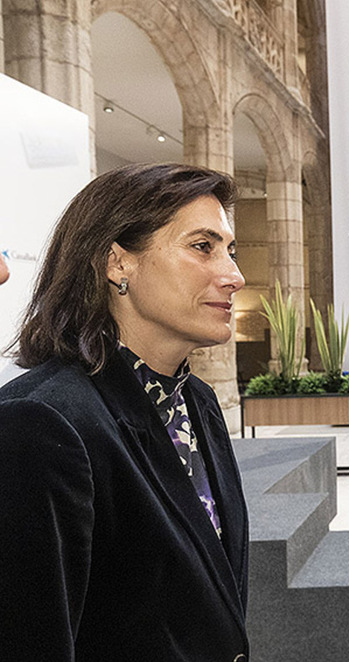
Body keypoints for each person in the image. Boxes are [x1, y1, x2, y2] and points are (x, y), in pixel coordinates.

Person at [0, 163, 251, 660]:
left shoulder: (196, 402)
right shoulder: (42, 423)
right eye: (203, 246)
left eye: (231, 250)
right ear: (118, 263)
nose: (234, 276)